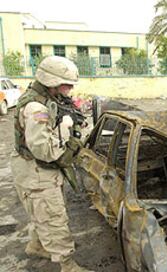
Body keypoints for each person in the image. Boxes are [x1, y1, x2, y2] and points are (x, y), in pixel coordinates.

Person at [10, 56, 94, 272]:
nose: (70, 88)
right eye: (67, 84)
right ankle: (68, 265)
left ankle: (37, 245)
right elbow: (45, 151)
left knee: (41, 213)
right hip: (37, 171)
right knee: (54, 217)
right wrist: (70, 137)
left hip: (31, 168)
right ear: (52, 82)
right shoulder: (36, 108)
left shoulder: (43, 98)